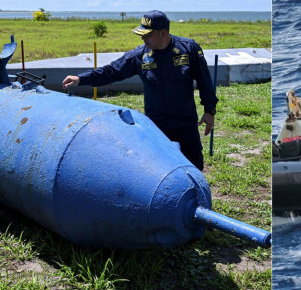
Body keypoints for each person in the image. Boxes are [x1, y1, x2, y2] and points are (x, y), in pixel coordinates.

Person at [62, 10, 217, 171]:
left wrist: (209, 111)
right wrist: (81, 79)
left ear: (163, 33)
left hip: (185, 124)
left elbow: (204, 81)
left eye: (147, 34)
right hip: (156, 126)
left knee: (194, 167)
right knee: (159, 169)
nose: (143, 38)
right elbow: (111, 71)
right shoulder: (140, 55)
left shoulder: (189, 49)